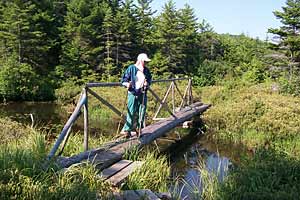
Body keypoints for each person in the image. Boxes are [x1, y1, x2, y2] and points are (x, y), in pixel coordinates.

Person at [120, 53, 152, 137]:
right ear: (140, 60)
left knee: (142, 111)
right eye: (144, 61)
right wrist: (127, 84)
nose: (146, 63)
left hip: (142, 93)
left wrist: (147, 84)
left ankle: (139, 129)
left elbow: (149, 80)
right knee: (131, 111)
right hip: (132, 93)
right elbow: (124, 80)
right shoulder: (131, 68)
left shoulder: (146, 70)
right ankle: (127, 130)